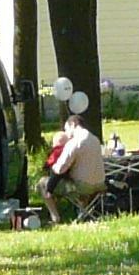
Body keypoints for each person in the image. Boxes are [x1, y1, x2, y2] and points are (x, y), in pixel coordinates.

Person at [44, 91, 107, 221]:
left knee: (42, 183)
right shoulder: (95, 139)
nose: (67, 134)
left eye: (67, 130)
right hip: (100, 184)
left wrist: (50, 185)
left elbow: (60, 168)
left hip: (83, 187)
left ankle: (55, 217)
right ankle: (83, 214)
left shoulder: (74, 142)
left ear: (73, 124)